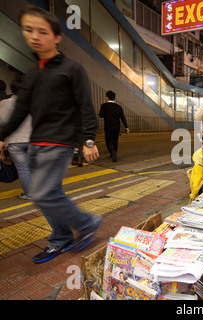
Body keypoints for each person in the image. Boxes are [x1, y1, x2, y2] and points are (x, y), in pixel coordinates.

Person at [0, 6, 101, 263]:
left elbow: (86, 108)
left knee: (44, 193)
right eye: (29, 30)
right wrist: (1, 136)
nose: (35, 36)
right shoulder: (33, 73)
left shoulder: (72, 69)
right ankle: (62, 237)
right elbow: (19, 112)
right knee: (46, 195)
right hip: (35, 144)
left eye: (42, 31)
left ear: (56, 37)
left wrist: (88, 140)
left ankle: (87, 223)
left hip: (60, 143)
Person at [0, 78, 32, 199]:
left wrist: (2, 142)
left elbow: (1, 124)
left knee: (22, 169)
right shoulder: (33, 103)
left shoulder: (3, 104)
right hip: (33, 139)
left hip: (14, 142)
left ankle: (29, 193)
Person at [99, 90, 129, 162]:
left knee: (108, 140)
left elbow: (101, 115)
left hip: (108, 126)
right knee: (115, 140)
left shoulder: (104, 106)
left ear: (107, 97)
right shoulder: (119, 107)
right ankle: (114, 151)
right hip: (116, 127)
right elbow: (122, 117)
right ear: (114, 98)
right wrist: (126, 127)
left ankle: (112, 151)